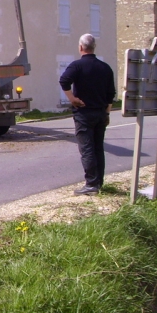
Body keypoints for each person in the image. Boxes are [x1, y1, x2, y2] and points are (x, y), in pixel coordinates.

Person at [59, 34, 116, 196]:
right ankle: (99, 182)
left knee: (87, 148)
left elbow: (64, 81)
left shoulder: (77, 66)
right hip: (100, 112)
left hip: (84, 113)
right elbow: (110, 93)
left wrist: (72, 99)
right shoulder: (105, 68)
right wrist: (107, 113)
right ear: (94, 47)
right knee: (98, 147)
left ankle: (91, 184)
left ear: (81, 47)